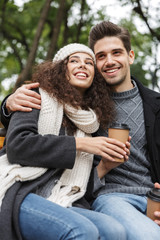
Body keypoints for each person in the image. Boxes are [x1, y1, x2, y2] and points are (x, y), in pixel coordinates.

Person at [2, 21, 160, 240]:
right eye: (101, 56)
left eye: (116, 53)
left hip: (150, 194)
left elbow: (81, 177)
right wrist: (7, 103)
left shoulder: (91, 113)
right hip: (103, 195)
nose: (110, 61)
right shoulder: (70, 103)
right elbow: (20, 139)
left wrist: (104, 165)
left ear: (130, 56)